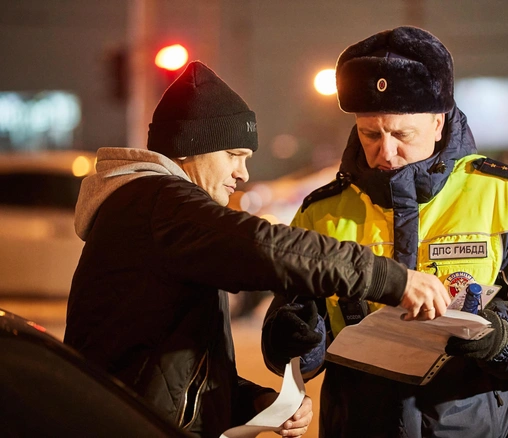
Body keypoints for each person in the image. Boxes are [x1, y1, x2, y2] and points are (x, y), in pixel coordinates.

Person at [63, 61, 451, 438]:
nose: (242, 173)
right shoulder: (160, 203)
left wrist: (252, 401)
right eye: (234, 155)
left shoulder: (161, 213)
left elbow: (171, 365)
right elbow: (265, 246)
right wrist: (389, 278)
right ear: (190, 147)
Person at [262, 27, 508, 437]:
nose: (386, 151)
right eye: (370, 134)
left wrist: (502, 339)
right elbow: (291, 347)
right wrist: (295, 340)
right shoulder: (320, 212)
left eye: (402, 134)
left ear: (438, 122)